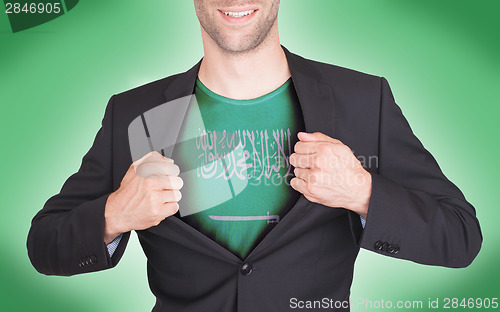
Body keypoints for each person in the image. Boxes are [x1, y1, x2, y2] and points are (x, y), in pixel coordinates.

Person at [27, 1, 482, 311]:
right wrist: (114, 214)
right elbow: (44, 245)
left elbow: (461, 236)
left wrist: (363, 191)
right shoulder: (136, 113)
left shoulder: (362, 100)